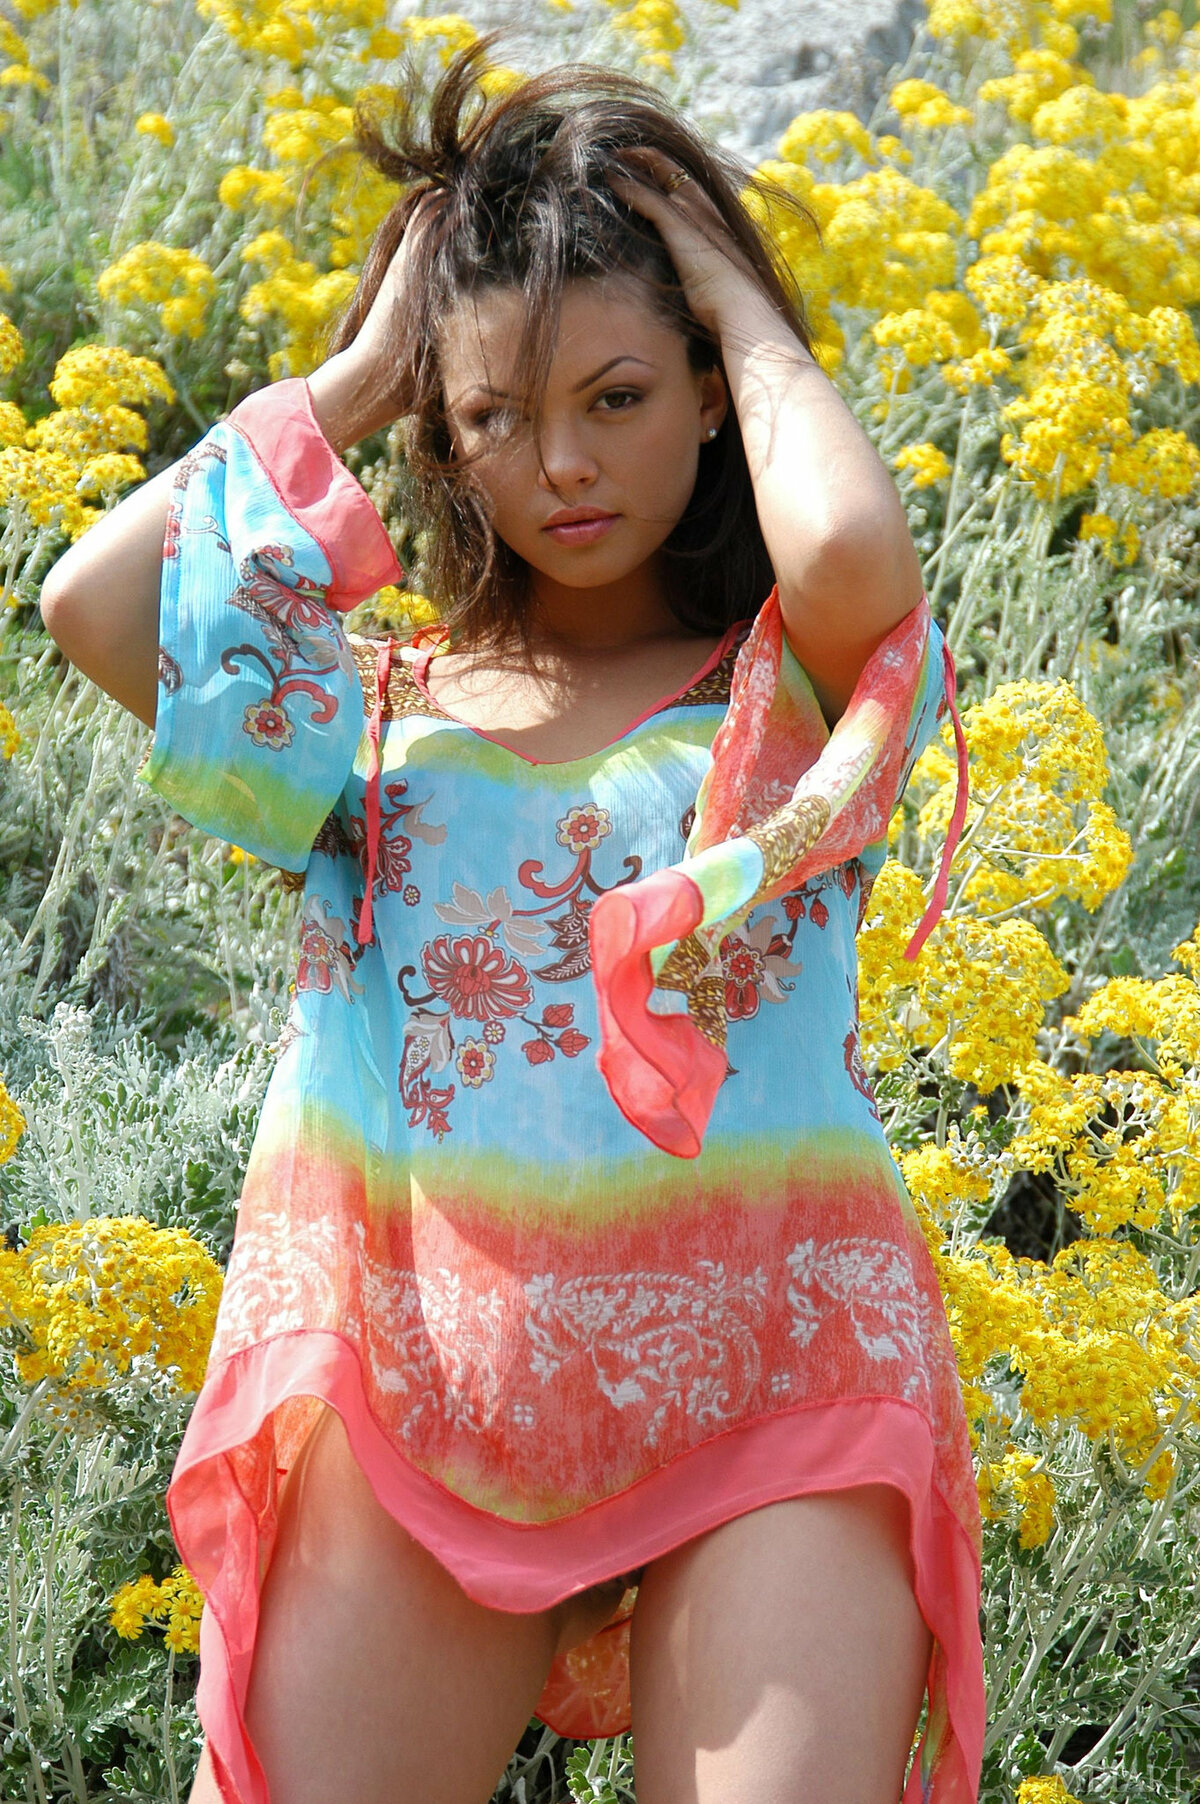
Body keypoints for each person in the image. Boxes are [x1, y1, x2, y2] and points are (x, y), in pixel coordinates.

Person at [39, 36, 984, 1804]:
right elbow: (95, 599)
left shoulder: (786, 695)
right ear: (442, 436)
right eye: (493, 418)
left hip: (782, 1357)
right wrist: (369, 369)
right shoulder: (361, 717)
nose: (560, 463)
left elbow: (856, 552)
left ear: (708, 390)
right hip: (423, 1389)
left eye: (617, 396)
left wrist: (726, 291)